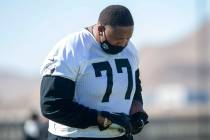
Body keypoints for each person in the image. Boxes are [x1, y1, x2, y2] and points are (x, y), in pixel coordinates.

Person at [40, 5, 148, 140]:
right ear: (101, 29)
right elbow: (52, 105)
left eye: (128, 38)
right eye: (119, 39)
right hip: (75, 137)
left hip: (120, 136)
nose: (123, 44)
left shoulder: (130, 50)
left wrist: (137, 111)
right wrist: (103, 120)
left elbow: (134, 87)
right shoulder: (71, 49)